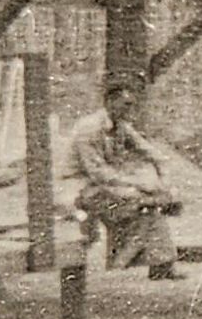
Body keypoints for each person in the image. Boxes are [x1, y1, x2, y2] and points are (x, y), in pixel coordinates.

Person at [64, 81, 185, 279]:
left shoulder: (120, 126)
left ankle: (157, 264)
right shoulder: (89, 128)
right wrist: (138, 185)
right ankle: (132, 264)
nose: (130, 109)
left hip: (105, 187)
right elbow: (97, 172)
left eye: (132, 105)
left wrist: (164, 182)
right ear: (110, 102)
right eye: (126, 104)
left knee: (148, 207)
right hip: (79, 188)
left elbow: (152, 153)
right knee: (142, 205)